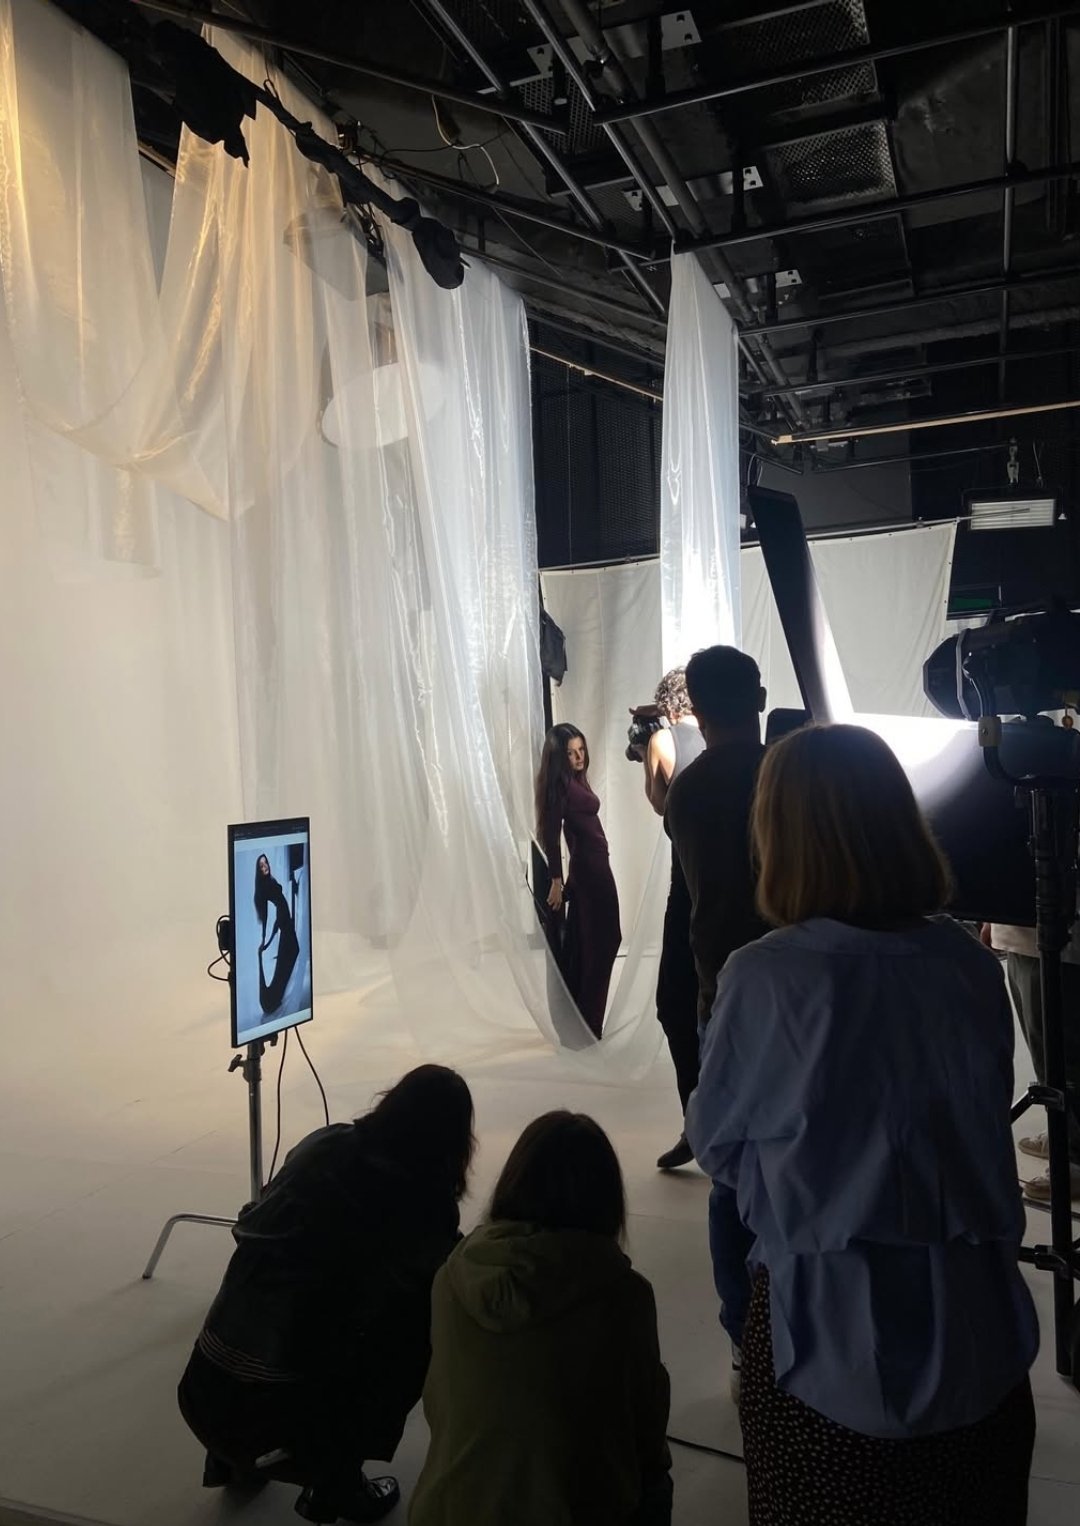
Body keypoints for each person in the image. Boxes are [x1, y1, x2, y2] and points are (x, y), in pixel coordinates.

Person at [686, 724, 1039, 1526]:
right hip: (978, 1336)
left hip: (821, 1345)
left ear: (778, 837)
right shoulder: (967, 966)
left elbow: (719, 1147)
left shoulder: (766, 977)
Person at [178, 1066, 475, 1524]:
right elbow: (440, 1274)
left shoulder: (324, 1142)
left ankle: (228, 1458)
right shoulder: (424, 1200)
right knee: (426, 1313)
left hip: (202, 1387)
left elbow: (263, 1212)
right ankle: (336, 1480)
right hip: (285, 1419)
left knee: (273, 1279)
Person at [410, 1112, 672, 1526]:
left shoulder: (454, 1278)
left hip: (448, 1509)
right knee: (656, 1483)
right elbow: (646, 1426)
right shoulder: (624, 1296)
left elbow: (442, 1406)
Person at [664, 646, 768, 1374]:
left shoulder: (691, 790)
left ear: (697, 710)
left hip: (723, 992)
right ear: (759, 698)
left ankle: (744, 1340)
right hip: (799, 987)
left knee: (731, 1172)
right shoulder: (789, 773)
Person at [632, 669, 705, 1171]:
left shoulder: (662, 740)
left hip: (688, 887)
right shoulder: (722, 740)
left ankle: (697, 1123)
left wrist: (646, 751)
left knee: (675, 1006)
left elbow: (662, 808)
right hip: (733, 889)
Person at [985, 917, 1080, 1202]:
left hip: (1062, 937)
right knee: (1043, 1048)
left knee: (1064, 1054)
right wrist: (994, 918)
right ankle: (1064, 1131)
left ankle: (1075, 1155)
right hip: (1022, 932)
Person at [537, 724, 621, 1038]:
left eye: (581, 750)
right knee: (602, 942)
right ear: (559, 758)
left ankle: (585, 1022)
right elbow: (550, 835)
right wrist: (555, 880)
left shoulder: (575, 782)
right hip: (590, 872)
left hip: (593, 869)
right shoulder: (560, 787)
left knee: (593, 943)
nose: (578, 757)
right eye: (571, 753)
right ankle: (587, 1023)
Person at [254, 853, 300, 1014]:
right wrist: (265, 939)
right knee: (291, 954)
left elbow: (280, 903)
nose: (265, 866)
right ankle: (273, 999)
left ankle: (276, 996)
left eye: (265, 863)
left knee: (291, 954)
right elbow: (265, 916)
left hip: (284, 921)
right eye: (261, 866)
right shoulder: (262, 887)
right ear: (258, 870)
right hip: (283, 922)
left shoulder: (270, 880)